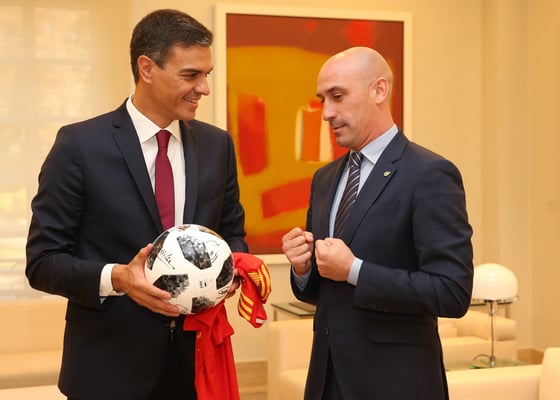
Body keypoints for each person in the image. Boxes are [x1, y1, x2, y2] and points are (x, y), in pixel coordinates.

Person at [25, 9, 247, 400]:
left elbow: (232, 236)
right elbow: (43, 262)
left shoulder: (218, 146)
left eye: (206, 75)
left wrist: (231, 274)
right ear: (147, 68)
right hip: (106, 373)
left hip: (194, 370)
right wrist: (119, 279)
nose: (204, 88)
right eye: (190, 75)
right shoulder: (79, 146)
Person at [281, 47, 473, 400]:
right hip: (326, 380)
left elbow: (451, 292)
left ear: (379, 90)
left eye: (338, 96)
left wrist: (354, 270)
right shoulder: (325, 179)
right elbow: (324, 293)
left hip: (395, 383)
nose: (326, 112)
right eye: (323, 100)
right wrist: (304, 269)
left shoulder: (430, 174)